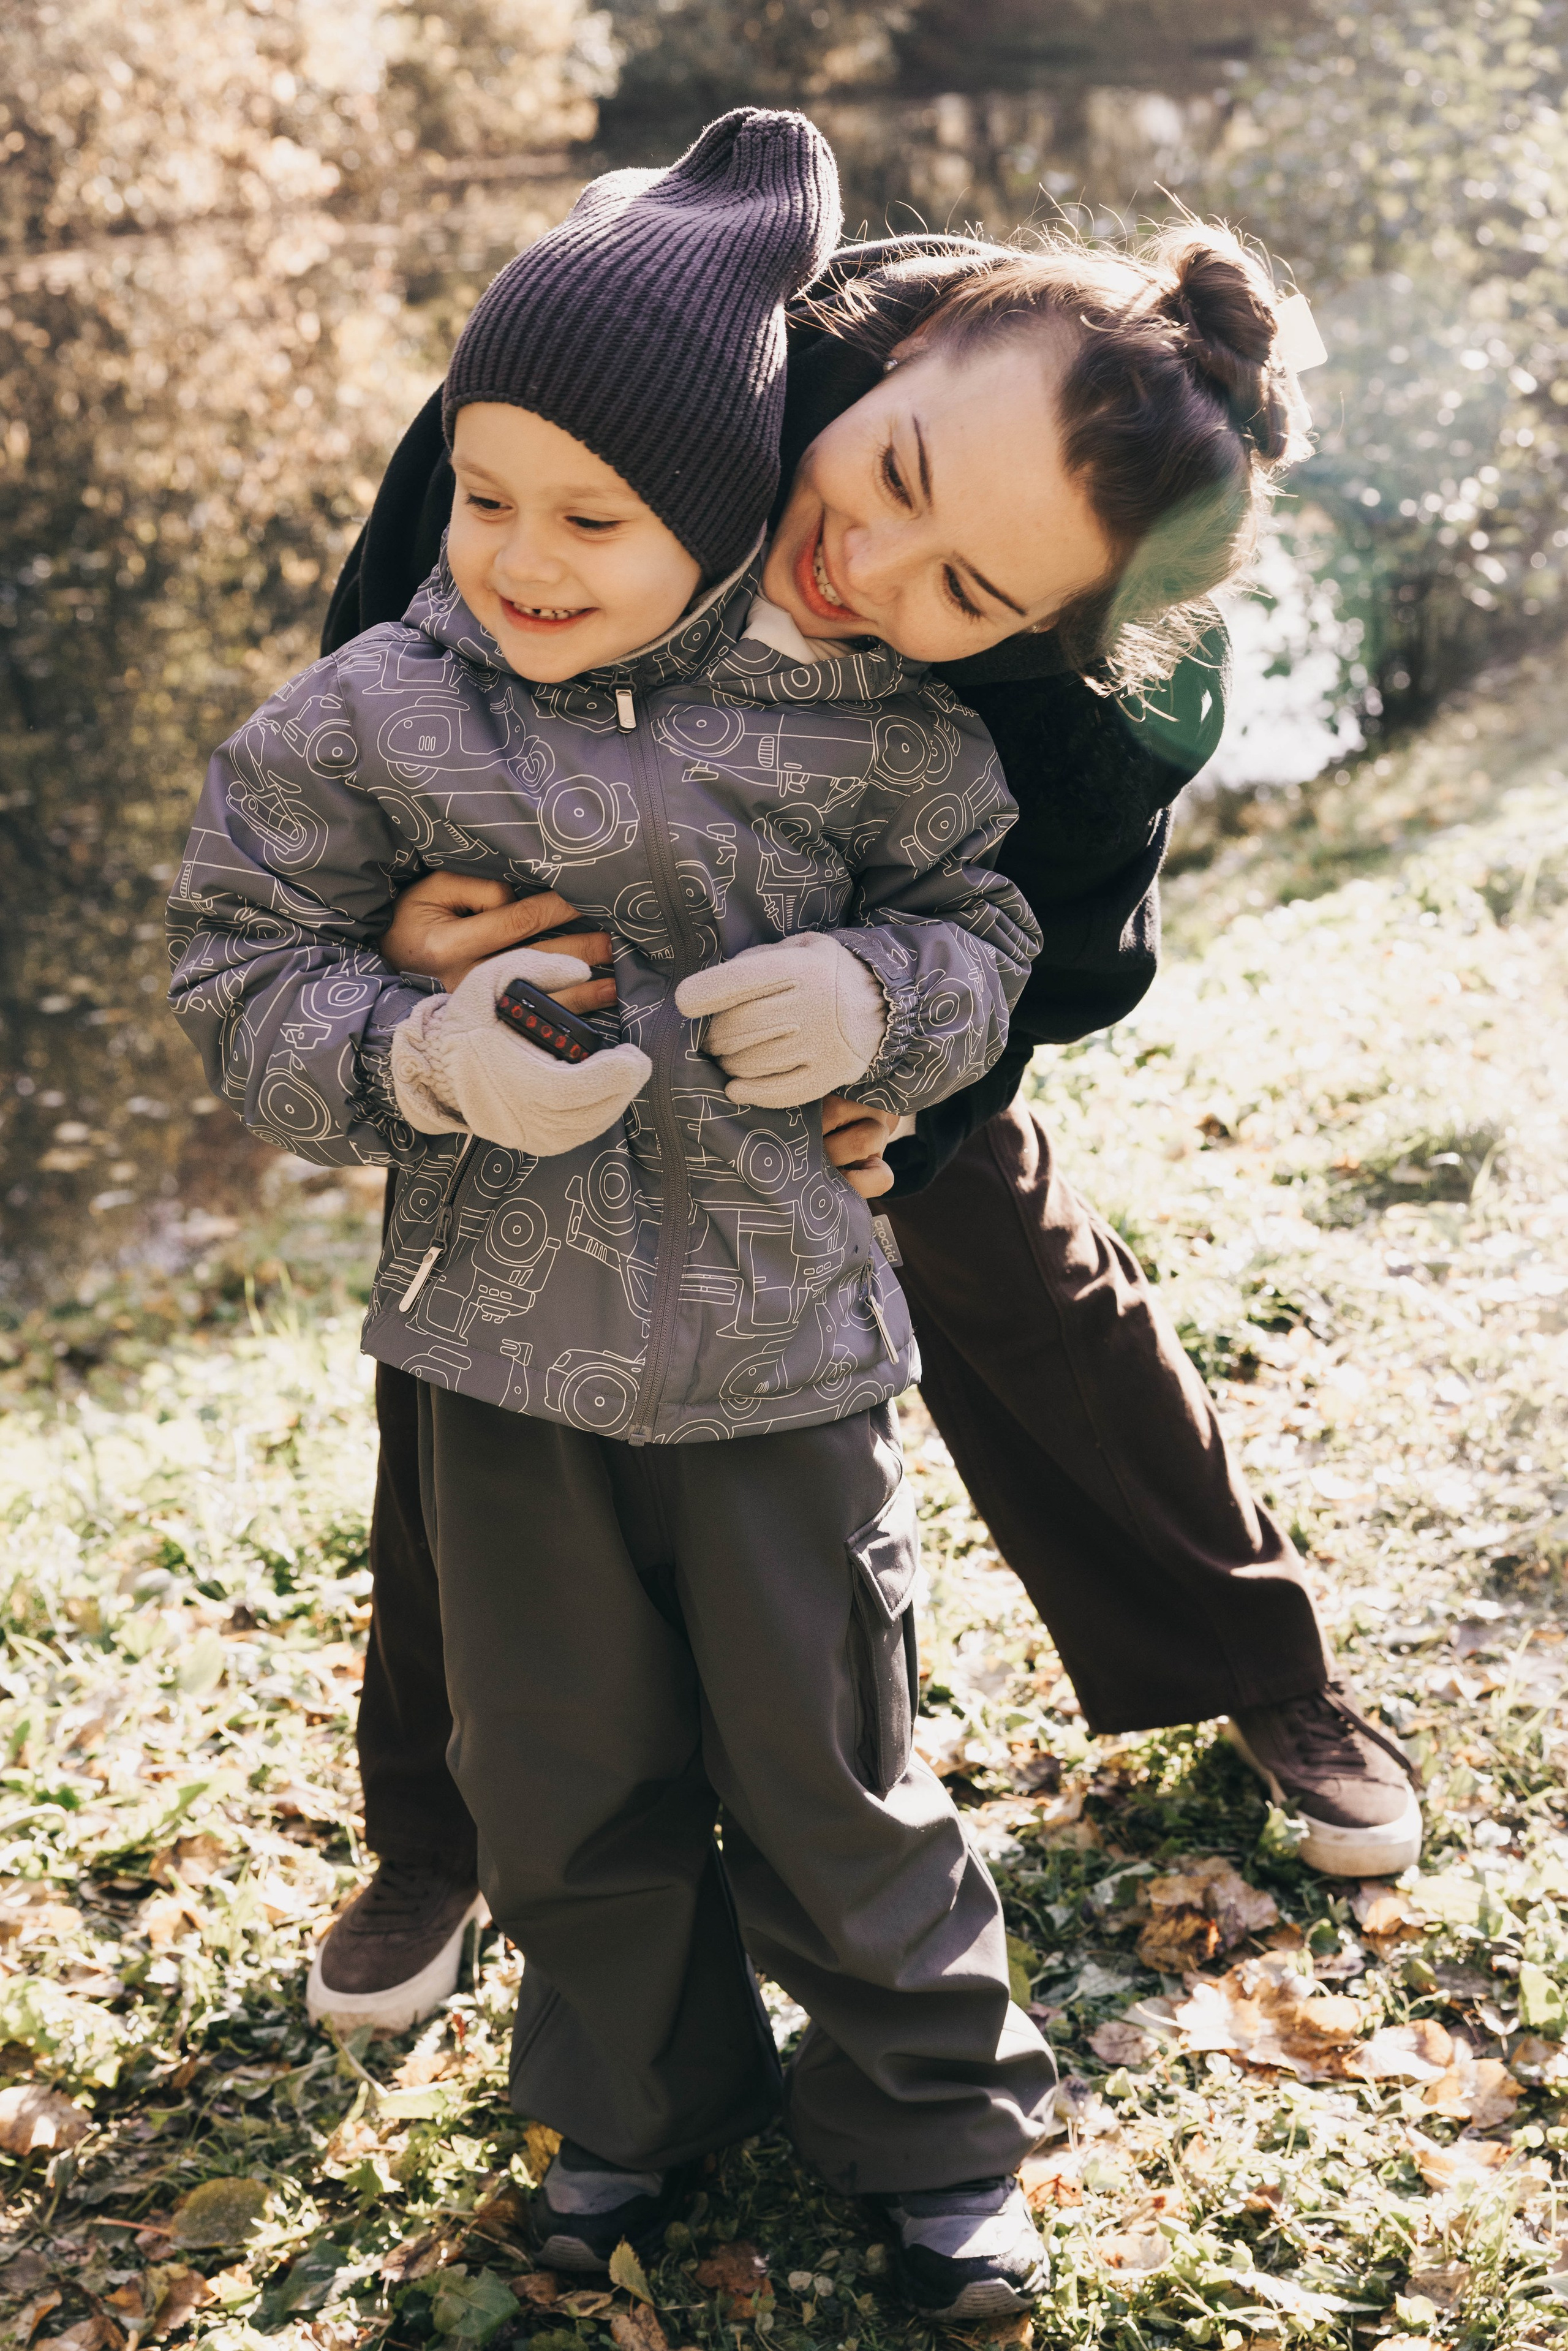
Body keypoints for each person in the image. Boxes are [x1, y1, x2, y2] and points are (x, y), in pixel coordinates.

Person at [311, 215, 1422, 2055]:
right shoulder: (648, 350)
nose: (870, 561)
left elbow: (1067, 964)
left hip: (876, 954)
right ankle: (440, 1832)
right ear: (890, 357)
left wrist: (909, 1088)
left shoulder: (1113, 697)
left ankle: (1254, 1663)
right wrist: (400, 923)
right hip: (568, 911)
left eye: (970, 590)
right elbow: (370, 662)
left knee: (1011, 1272)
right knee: (486, 1349)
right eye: (891, 475)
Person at [171, 111, 1068, 2320]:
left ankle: (937, 2136)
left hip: (782, 1351)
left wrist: (885, 994)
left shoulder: (876, 734)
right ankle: (629, 2114)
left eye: (596, 516)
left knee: (833, 1755)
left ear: (731, 517)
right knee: (556, 1777)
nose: (523, 557)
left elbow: (992, 932)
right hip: (500, 1356)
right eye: (484, 494)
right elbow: (232, 960)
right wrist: (411, 1050)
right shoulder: (372, 718)